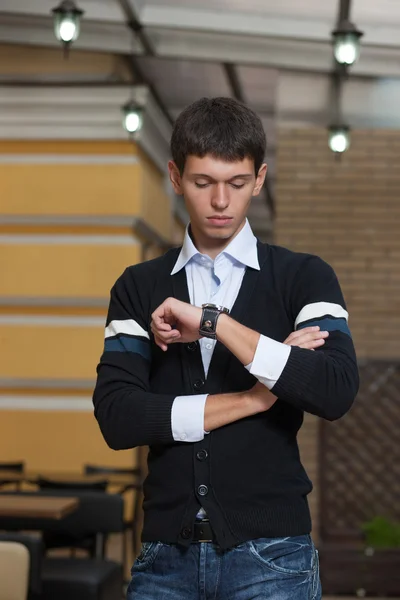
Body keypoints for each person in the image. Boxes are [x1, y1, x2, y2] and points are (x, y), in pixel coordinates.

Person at [93, 97, 359, 600]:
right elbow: (118, 418)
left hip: (275, 558)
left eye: (237, 184)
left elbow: (334, 389)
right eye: (202, 183)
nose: (221, 202)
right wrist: (256, 398)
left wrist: (215, 324)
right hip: (163, 561)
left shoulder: (305, 277)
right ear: (175, 177)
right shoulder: (137, 287)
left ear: (258, 179)